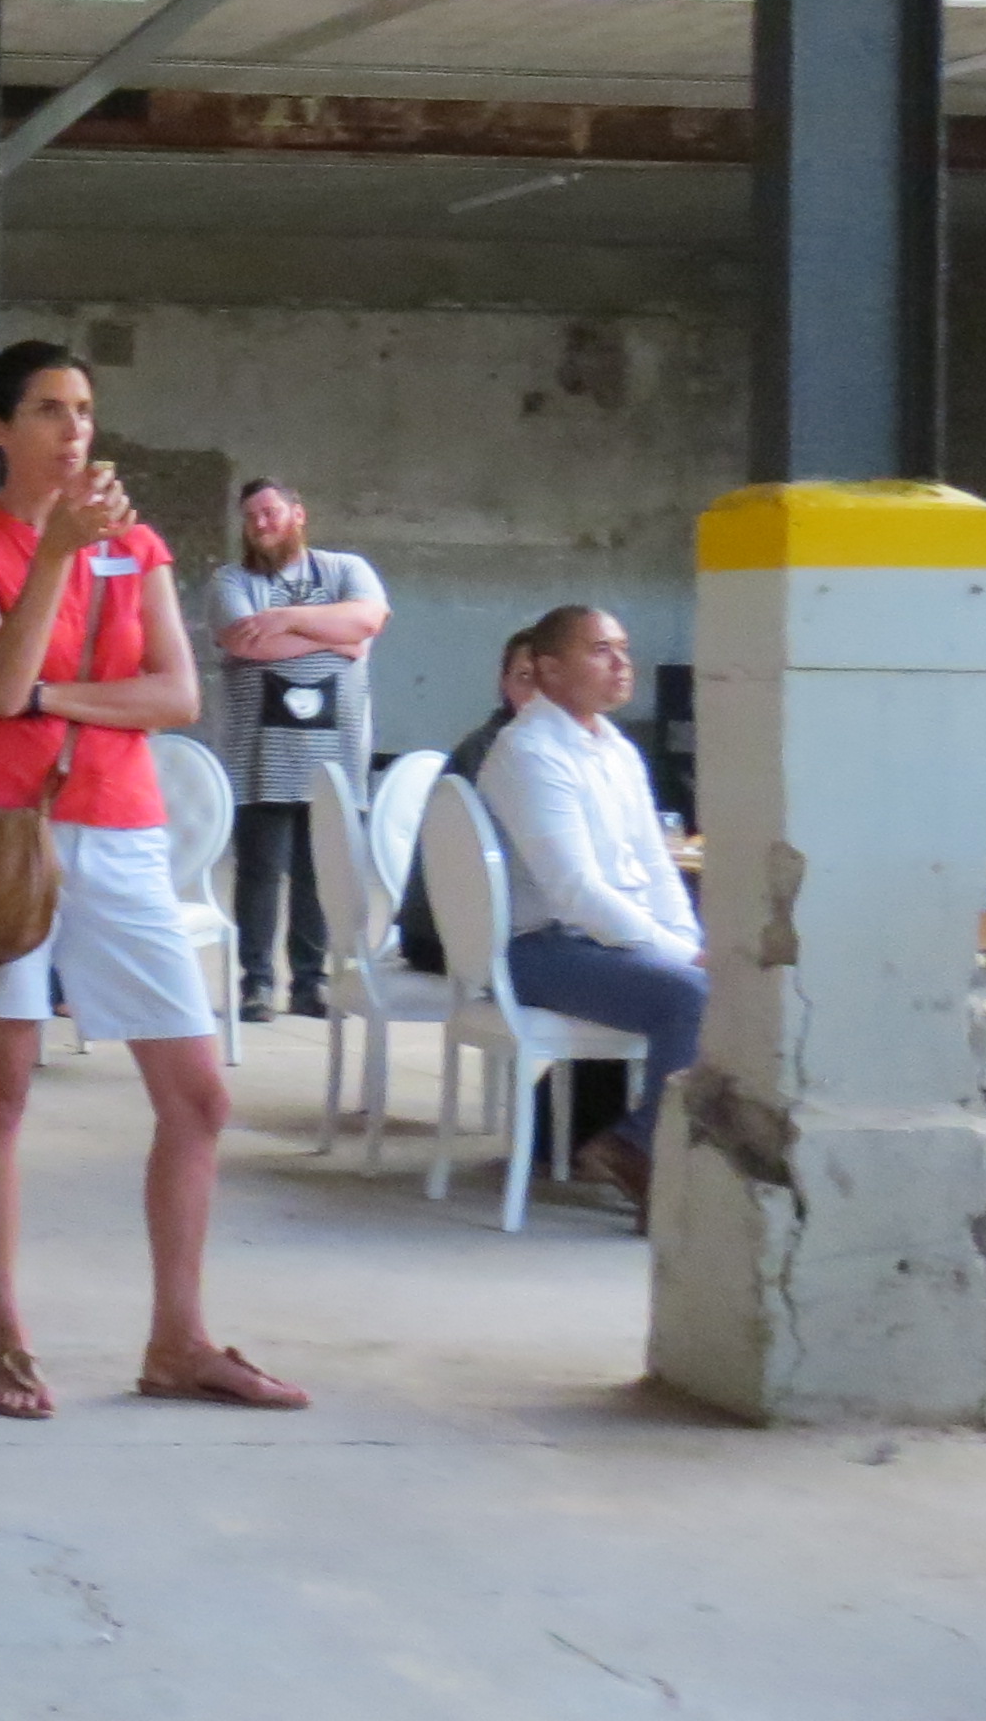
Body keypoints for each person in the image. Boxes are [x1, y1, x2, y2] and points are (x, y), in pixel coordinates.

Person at [0, 339, 306, 1421]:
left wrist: (52, 699)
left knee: (198, 1094)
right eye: (49, 409)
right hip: (2, 829)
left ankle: (178, 1339)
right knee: (1, 1090)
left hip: (123, 826)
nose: (74, 429)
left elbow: (177, 696)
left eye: (84, 410)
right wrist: (54, 560)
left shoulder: (136, 544)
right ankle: (5, 1340)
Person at [474, 605, 707, 1215]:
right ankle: (640, 1149)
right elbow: (574, 891)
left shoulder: (617, 748)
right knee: (693, 995)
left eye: (623, 649)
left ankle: (657, 1148)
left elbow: (654, 863)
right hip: (540, 948)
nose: (621, 663)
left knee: (722, 979)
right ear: (549, 669)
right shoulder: (529, 750)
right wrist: (680, 957)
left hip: (601, 943)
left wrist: (687, 940)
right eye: (601, 650)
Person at [208, 480, 388, 1021]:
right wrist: (336, 636)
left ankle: (311, 984)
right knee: (259, 871)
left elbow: (368, 620)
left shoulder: (345, 570)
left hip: (336, 754)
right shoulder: (231, 580)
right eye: (250, 517)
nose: (260, 524)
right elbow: (245, 642)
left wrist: (284, 619)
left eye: (270, 512)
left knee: (317, 873)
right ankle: (257, 984)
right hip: (260, 754)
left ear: (298, 514)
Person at [396, 629, 539, 978]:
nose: (537, 691)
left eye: (547, 678)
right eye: (524, 677)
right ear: (504, 684)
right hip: (443, 936)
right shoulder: (494, 751)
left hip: (481, 926)